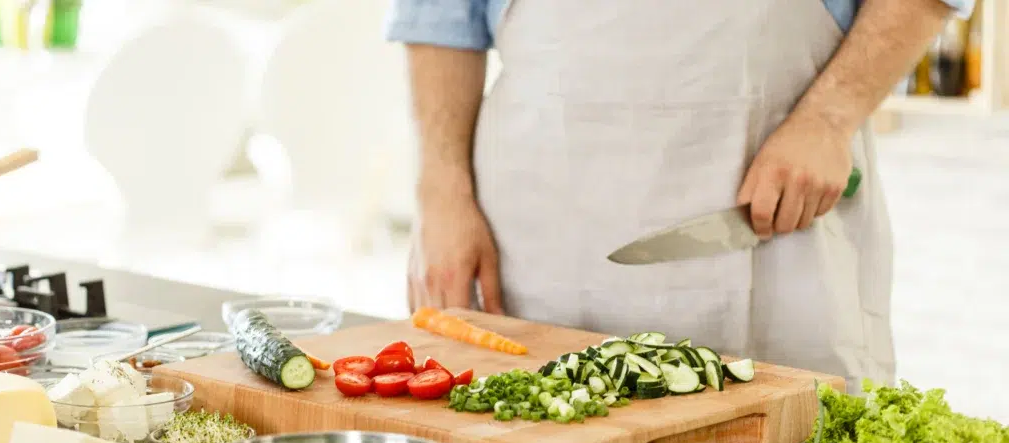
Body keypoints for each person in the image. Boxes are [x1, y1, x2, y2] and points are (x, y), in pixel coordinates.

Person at [386, 0, 971, 390]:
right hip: (537, 243)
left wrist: (829, 118)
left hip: (782, 238)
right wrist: (439, 188)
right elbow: (437, 14)